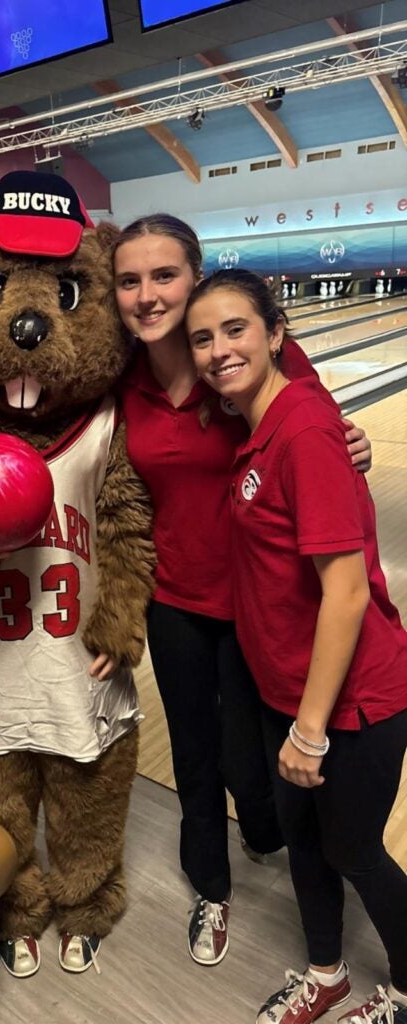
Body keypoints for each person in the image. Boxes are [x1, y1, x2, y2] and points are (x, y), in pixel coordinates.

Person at [112, 214, 371, 968]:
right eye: (130, 280)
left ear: (196, 277)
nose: (148, 294)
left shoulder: (246, 356)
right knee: (196, 757)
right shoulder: (123, 381)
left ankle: (271, 842)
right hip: (177, 603)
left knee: (253, 761)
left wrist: (351, 440)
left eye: (164, 276)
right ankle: (211, 888)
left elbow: (316, 430)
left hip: (264, 606)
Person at [187, 268, 407, 1024]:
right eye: (203, 337)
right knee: (308, 847)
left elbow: (345, 593)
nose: (218, 349)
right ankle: (328, 974)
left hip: (353, 702)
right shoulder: (265, 428)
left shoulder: (306, 430)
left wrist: (309, 733)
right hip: (291, 692)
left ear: (278, 333)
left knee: (353, 852)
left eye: (235, 329)